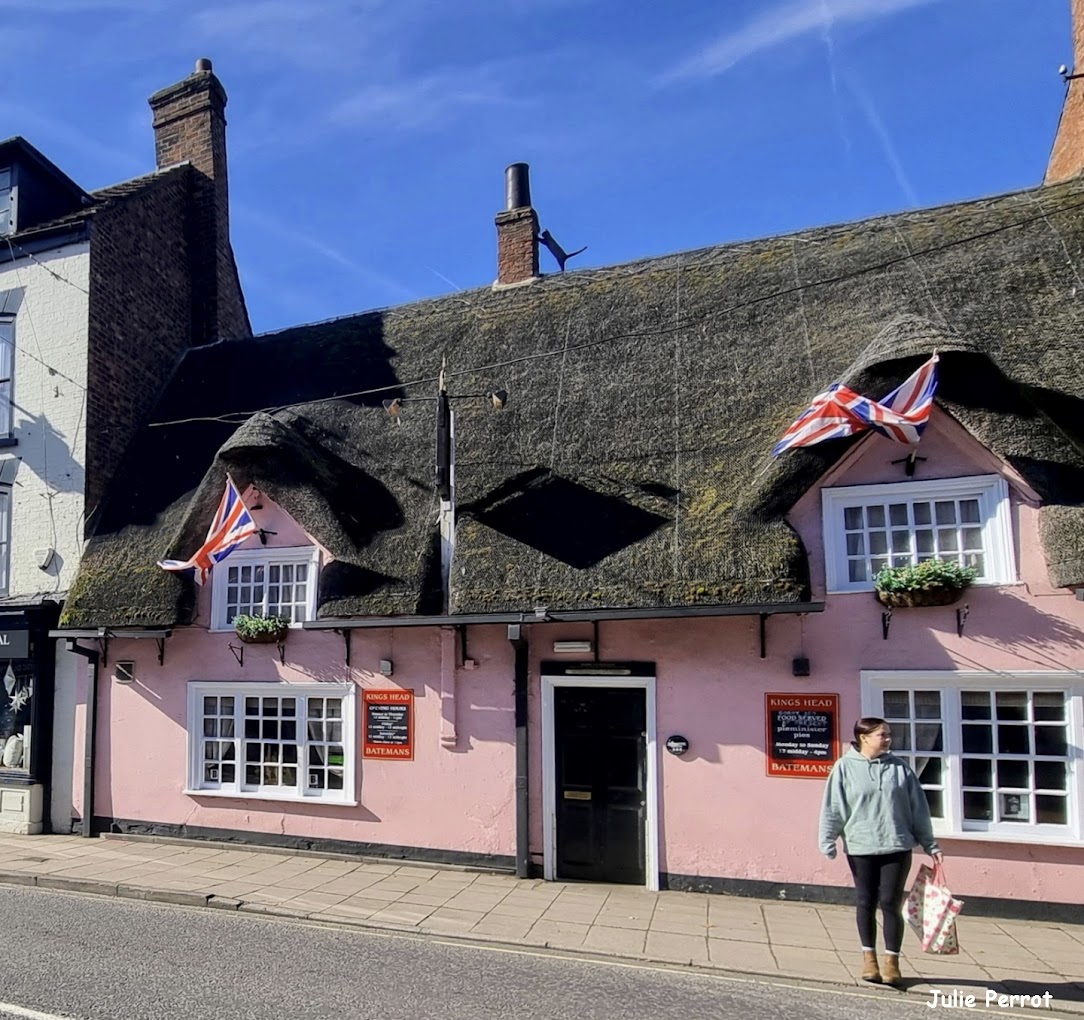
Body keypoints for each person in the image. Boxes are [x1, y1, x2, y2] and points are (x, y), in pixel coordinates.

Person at [818, 717, 943, 987]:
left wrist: (930, 844)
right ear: (864, 737)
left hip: (896, 845)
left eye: (888, 735)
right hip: (861, 846)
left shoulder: (901, 770)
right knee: (865, 900)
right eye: (881, 735)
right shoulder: (844, 768)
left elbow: (918, 809)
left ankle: (891, 962)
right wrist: (828, 839)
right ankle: (869, 959)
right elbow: (833, 807)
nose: (887, 739)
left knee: (889, 902)